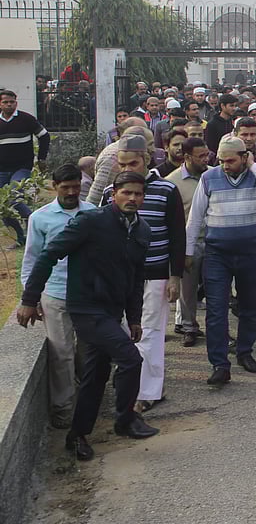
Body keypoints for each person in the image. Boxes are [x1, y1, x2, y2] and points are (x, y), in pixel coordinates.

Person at [17, 172, 159, 459]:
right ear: (113, 194)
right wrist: (29, 300)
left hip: (112, 310)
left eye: (138, 194)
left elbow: (136, 278)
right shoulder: (91, 221)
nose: (132, 199)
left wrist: (134, 318)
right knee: (131, 358)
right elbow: (48, 255)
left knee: (96, 375)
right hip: (85, 308)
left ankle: (77, 435)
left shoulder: (142, 230)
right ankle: (125, 420)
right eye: (126, 193)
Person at [185, 134, 256, 386]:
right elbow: (195, 218)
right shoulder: (209, 178)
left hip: (251, 252)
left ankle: (244, 352)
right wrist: (187, 253)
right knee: (216, 310)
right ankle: (219, 363)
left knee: (250, 306)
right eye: (221, 160)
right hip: (217, 254)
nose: (225, 165)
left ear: (243, 157)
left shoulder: (255, 175)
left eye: (230, 160)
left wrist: (252, 165)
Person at [98, 134, 185, 413]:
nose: (127, 170)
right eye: (121, 165)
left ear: (146, 160)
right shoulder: (110, 193)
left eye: (132, 163)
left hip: (155, 273)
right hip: (119, 275)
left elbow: (177, 236)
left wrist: (175, 276)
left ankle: (147, 392)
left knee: (150, 332)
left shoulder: (166, 190)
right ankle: (126, 388)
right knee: (123, 331)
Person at [20, 164, 96, 428]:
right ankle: (63, 410)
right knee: (61, 354)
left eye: (76, 186)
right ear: (55, 187)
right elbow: (32, 260)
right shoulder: (40, 218)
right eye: (66, 188)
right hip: (54, 293)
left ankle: (89, 404)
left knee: (88, 351)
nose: (72, 192)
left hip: (88, 295)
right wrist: (29, 298)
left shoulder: (93, 214)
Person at [165, 137, 210, 347]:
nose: (205, 159)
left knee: (215, 288)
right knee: (187, 291)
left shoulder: (212, 176)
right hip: (187, 244)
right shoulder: (172, 182)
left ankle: (217, 328)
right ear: (187, 157)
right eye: (200, 156)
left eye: (207, 154)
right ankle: (189, 327)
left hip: (213, 241)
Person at [0, 88, 50, 244]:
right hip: (1, 169)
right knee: (2, 205)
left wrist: (41, 159)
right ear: (0, 104)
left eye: (12, 102)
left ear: (16, 102)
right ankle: (20, 238)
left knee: (14, 197)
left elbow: (44, 136)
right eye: (5, 102)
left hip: (21, 168)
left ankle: (34, 221)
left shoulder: (26, 119)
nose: (9, 105)